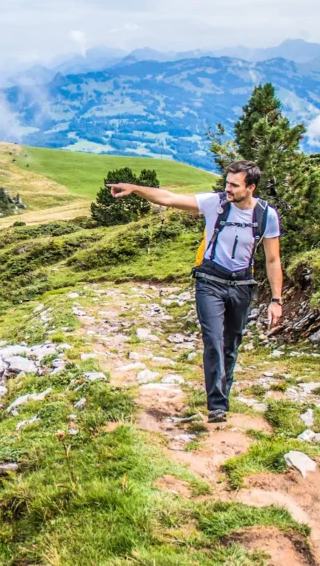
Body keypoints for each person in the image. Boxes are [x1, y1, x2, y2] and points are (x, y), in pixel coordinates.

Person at [108, 160, 282, 423]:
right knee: (213, 340)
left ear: (251, 187)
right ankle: (217, 406)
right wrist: (134, 188)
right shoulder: (215, 203)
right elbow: (169, 198)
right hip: (210, 280)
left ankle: (223, 393)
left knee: (231, 344)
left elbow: (273, 260)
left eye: (234, 185)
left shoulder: (267, 215)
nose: (228, 189)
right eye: (227, 183)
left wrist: (276, 299)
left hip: (242, 285)